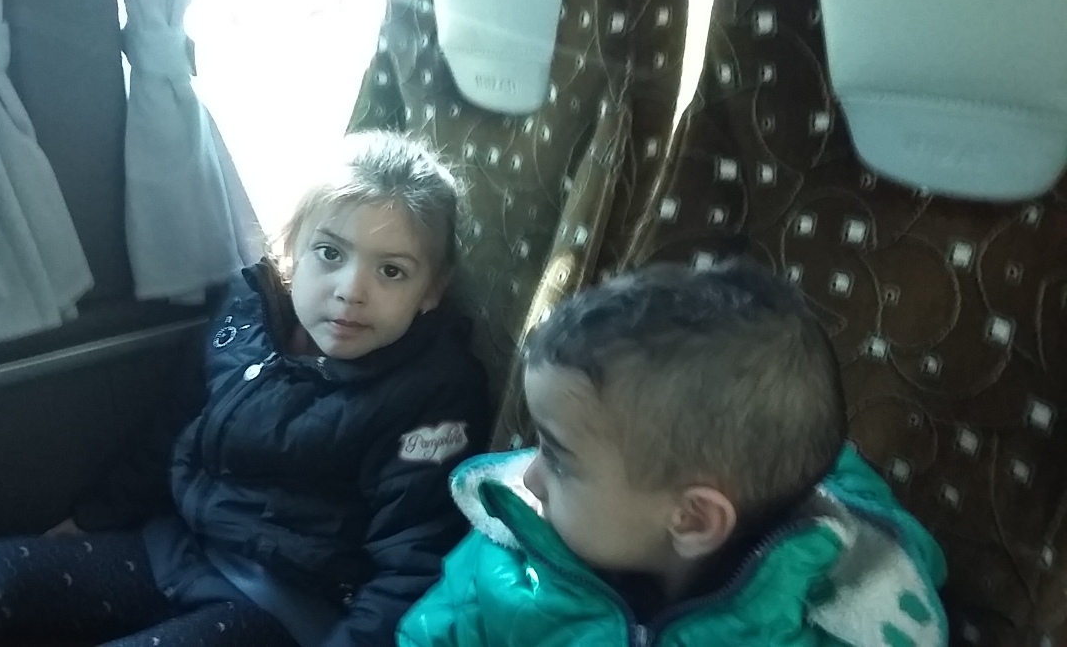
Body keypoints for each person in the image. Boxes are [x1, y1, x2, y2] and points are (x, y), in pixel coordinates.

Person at [0, 130, 491, 647]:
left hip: (286, 608)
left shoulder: (432, 398)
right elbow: (171, 429)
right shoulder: (248, 317)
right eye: (330, 253)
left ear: (432, 291)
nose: (351, 290)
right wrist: (97, 519)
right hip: (179, 547)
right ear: (290, 253)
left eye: (391, 271)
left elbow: (413, 564)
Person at [399, 261, 949, 646]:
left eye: (558, 458)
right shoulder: (512, 550)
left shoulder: (842, 618)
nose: (530, 478)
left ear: (692, 518)